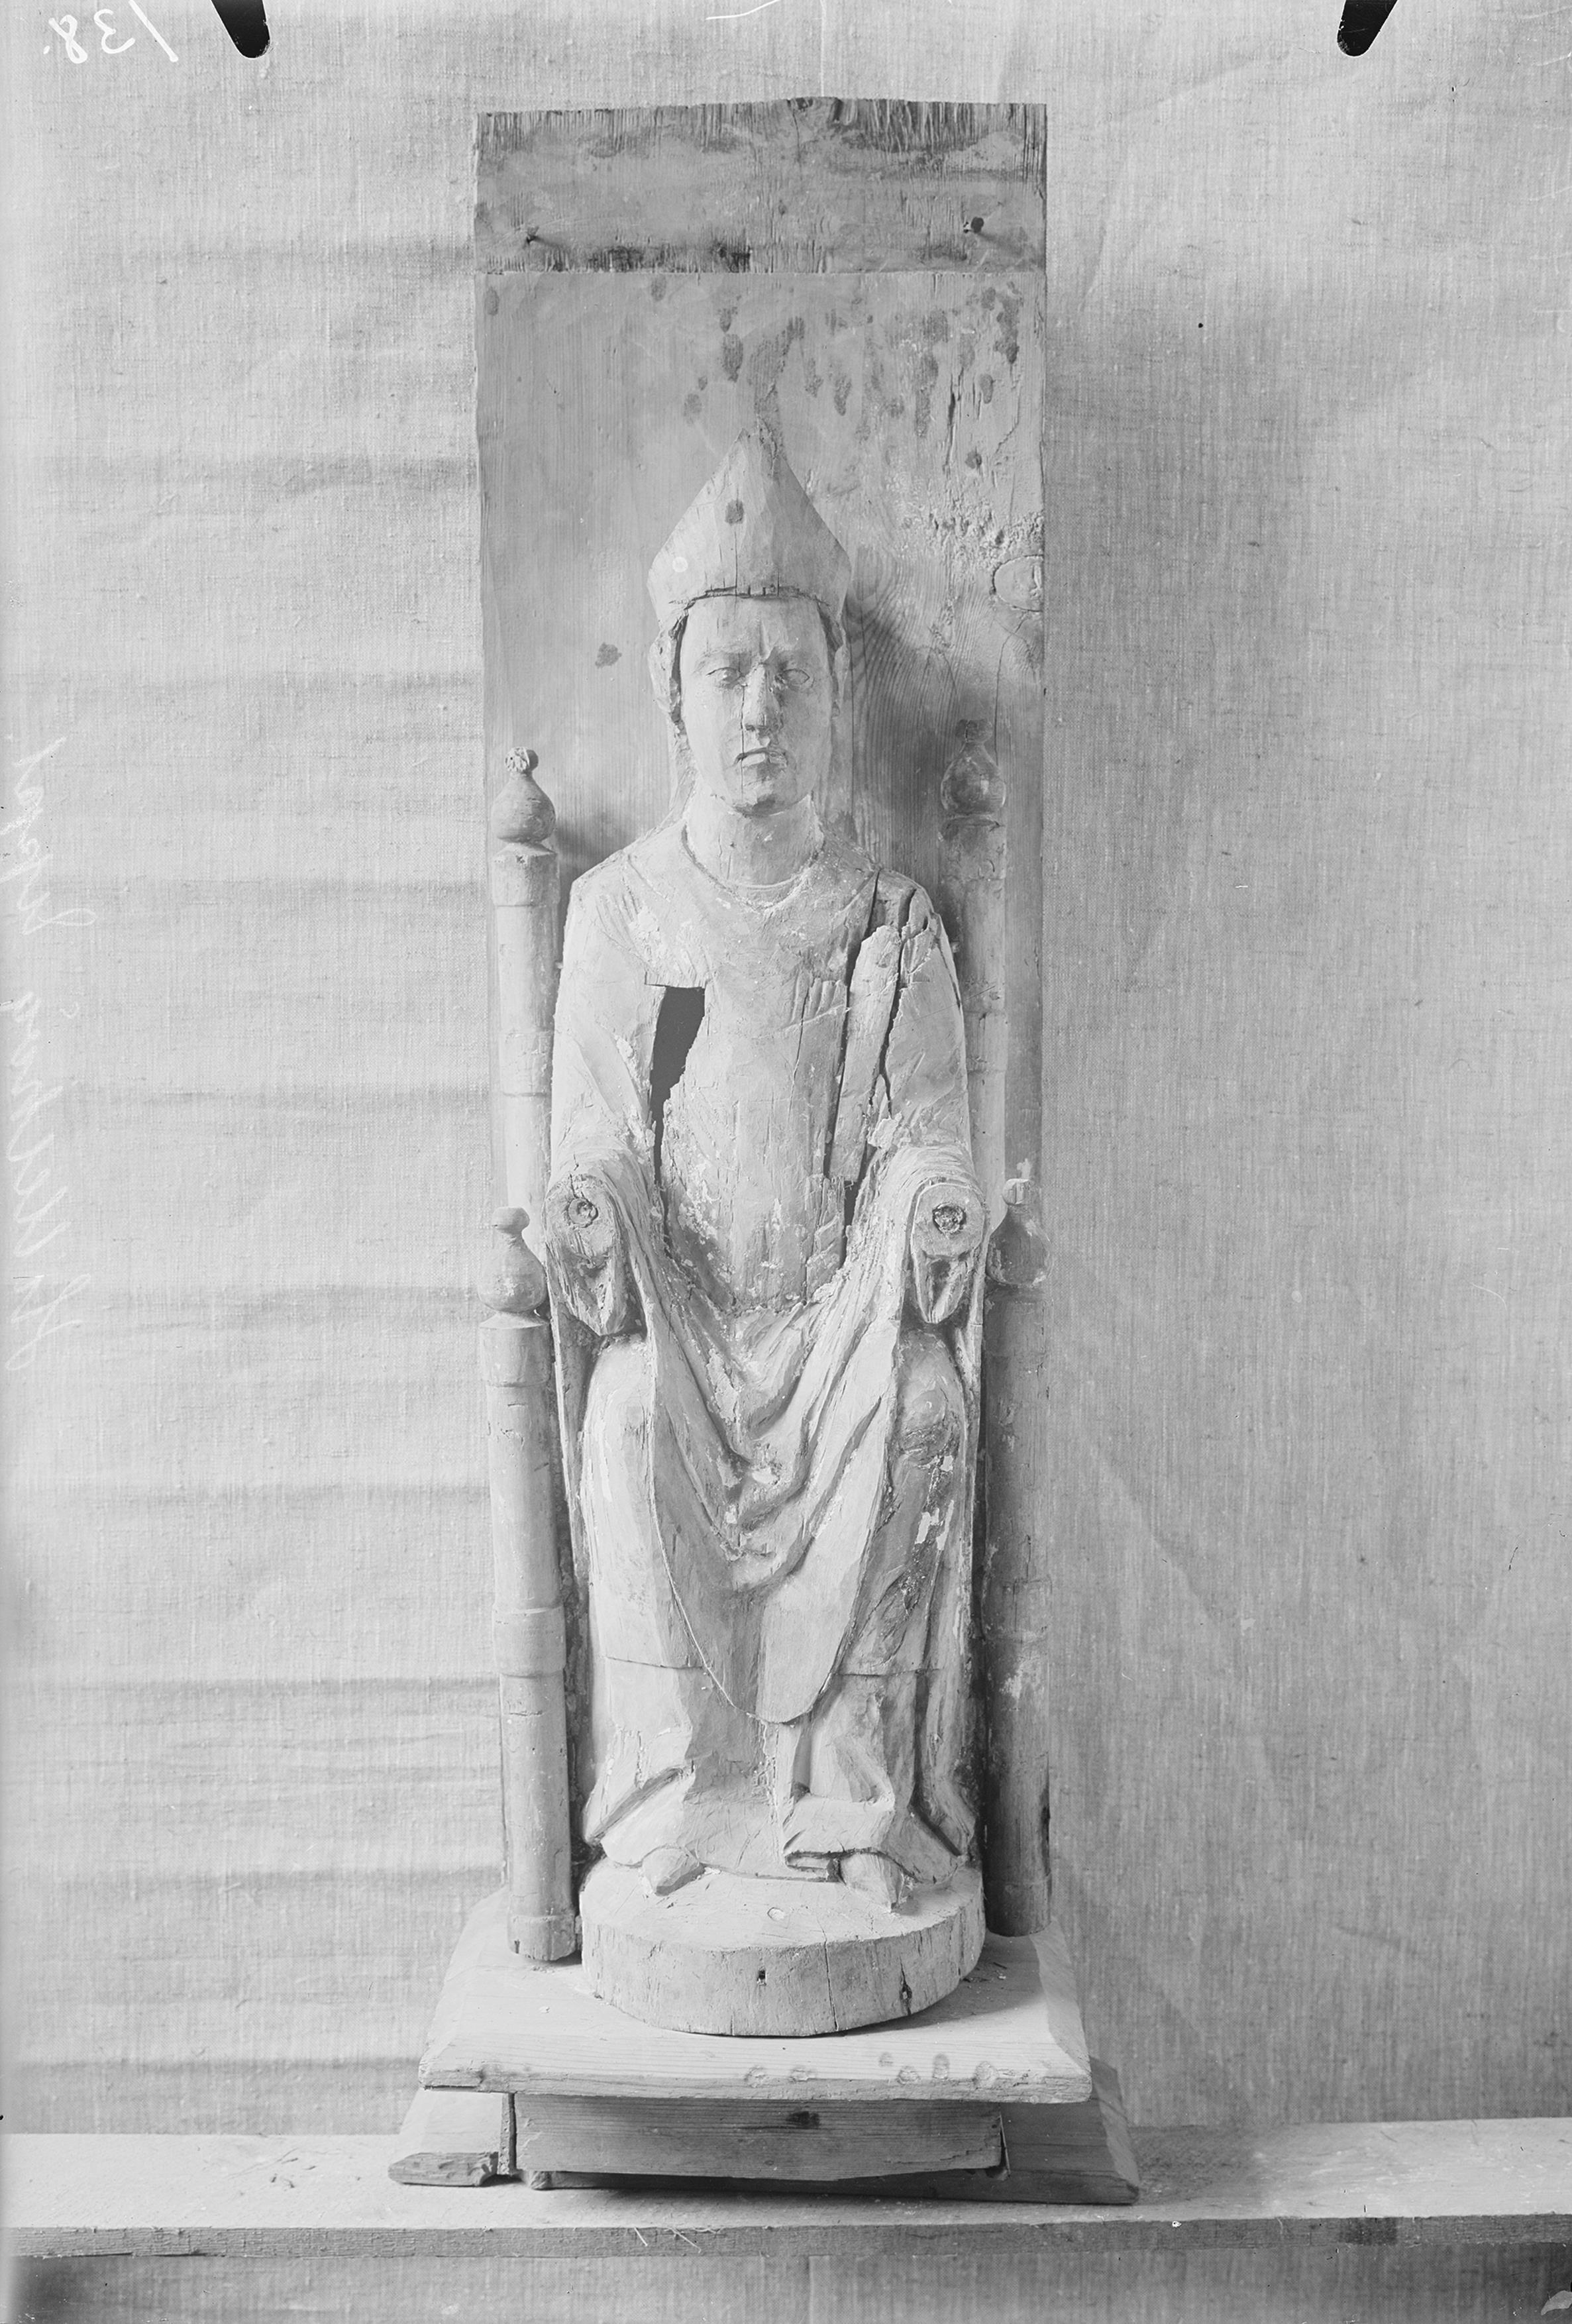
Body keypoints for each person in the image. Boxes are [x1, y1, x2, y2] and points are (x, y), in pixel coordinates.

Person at [544, 422, 987, 1911]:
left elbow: (922, 1133)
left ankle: (849, 1796)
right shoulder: (630, 920)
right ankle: (679, 1791)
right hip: (688, 1325)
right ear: (672, 693)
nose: (758, 708)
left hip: (836, 1327)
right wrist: (595, 1212)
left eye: (789, 674)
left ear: (834, 692)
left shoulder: (883, 924)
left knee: (927, 1408)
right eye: (727, 671)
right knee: (619, 1419)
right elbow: (612, 1127)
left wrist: (931, 1206)